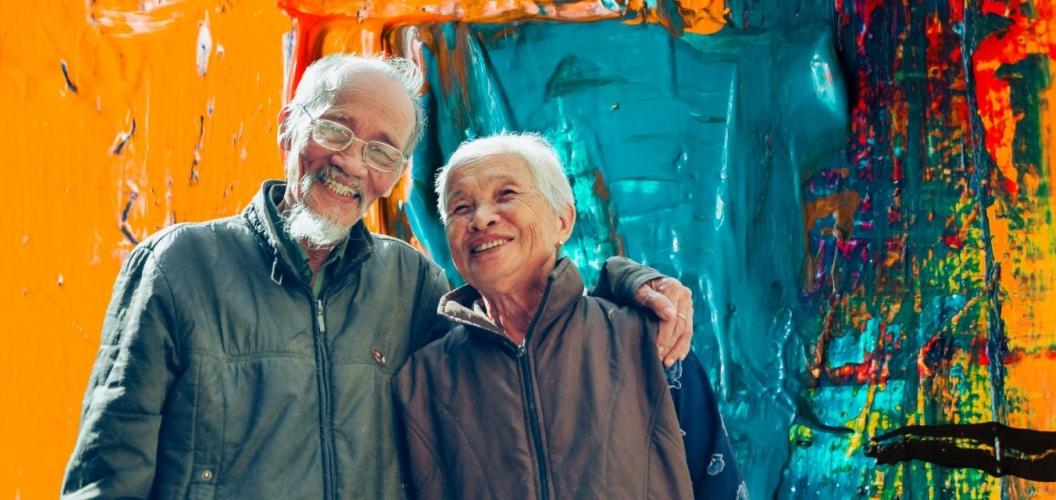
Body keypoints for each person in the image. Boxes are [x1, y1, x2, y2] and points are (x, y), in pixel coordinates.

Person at [61, 55, 695, 499]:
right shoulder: (180, 266)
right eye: (334, 128)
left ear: (395, 174)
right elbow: (107, 474)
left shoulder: (411, 283)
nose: (349, 161)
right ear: (289, 126)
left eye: (382, 150)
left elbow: (522, 322)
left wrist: (625, 282)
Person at [392, 133, 744, 499]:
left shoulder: (649, 339)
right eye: (461, 208)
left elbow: (718, 482)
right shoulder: (422, 380)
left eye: (507, 194)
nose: (481, 219)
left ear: (563, 220)